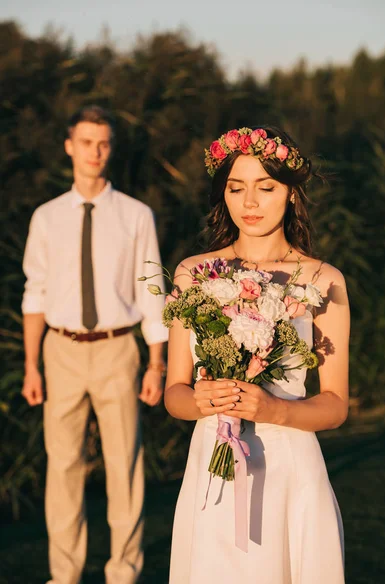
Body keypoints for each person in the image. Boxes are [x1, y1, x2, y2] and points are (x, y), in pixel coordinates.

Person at [166, 126, 349, 583]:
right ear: (222, 195)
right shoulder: (193, 274)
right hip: (213, 465)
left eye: (265, 188)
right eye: (236, 188)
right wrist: (202, 401)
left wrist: (274, 410)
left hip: (289, 469)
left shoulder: (324, 279)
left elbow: (335, 404)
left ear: (290, 193)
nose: (250, 203)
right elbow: (174, 393)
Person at [21, 105, 168, 584]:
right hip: (59, 352)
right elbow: (34, 293)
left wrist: (156, 363)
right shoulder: (46, 218)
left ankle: (123, 572)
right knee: (62, 469)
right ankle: (63, 575)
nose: (95, 152)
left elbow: (152, 291)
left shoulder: (135, 215)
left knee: (124, 464)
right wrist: (32, 366)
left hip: (117, 350)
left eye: (102, 142)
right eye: (86, 142)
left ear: (111, 147)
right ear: (69, 146)